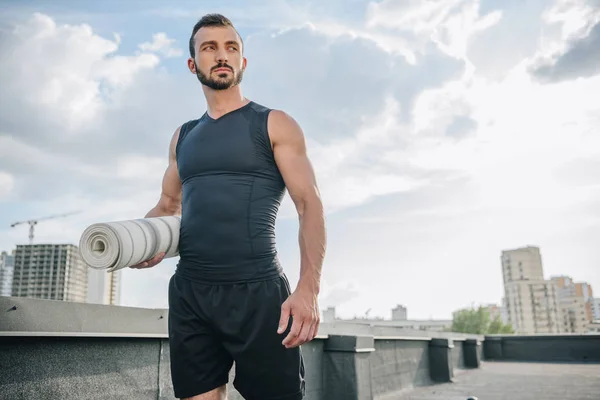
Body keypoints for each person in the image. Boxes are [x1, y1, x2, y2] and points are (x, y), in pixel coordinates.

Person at [130, 13, 326, 400]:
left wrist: (308, 289)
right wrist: (139, 240)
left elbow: (310, 205)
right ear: (193, 64)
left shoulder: (275, 124)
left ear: (242, 61)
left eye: (231, 47)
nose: (222, 55)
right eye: (210, 47)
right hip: (190, 293)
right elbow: (168, 205)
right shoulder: (183, 137)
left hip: (259, 295)